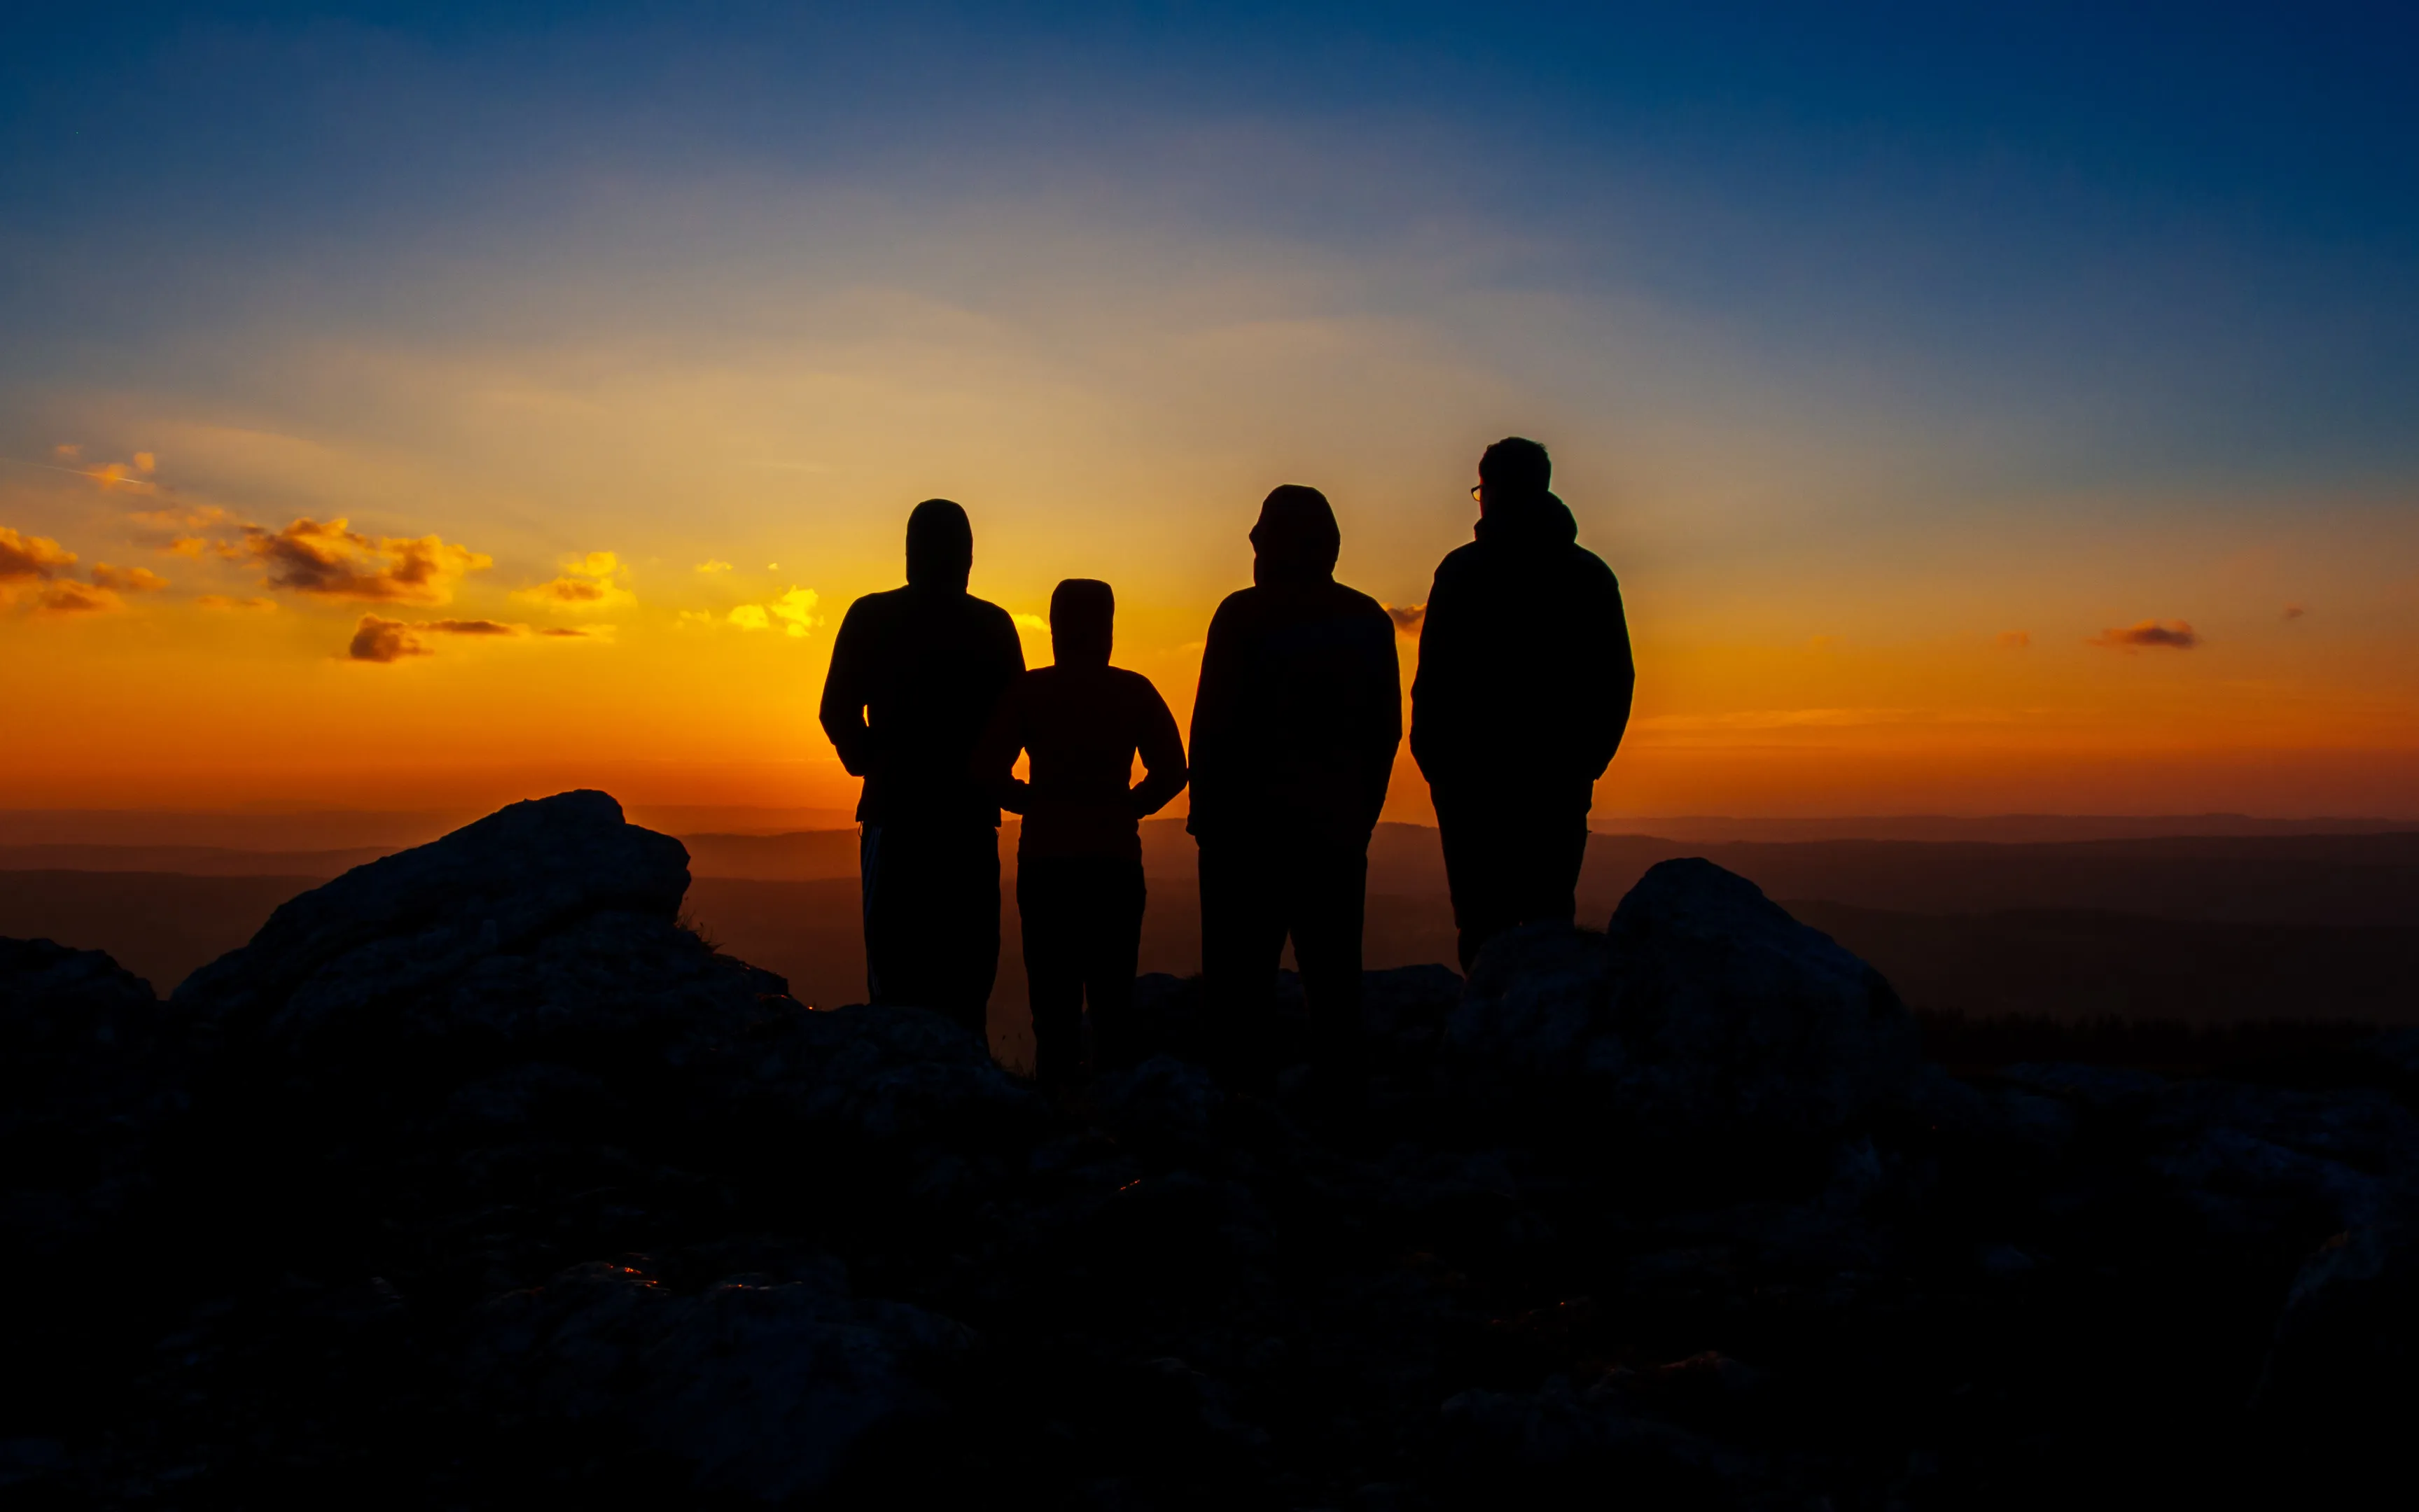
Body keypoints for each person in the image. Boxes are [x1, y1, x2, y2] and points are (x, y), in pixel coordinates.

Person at [1189, 485, 1400, 1100]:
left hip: (1242, 838)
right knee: (1333, 982)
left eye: (1260, 535)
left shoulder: (1242, 616)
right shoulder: (1366, 621)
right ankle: (1339, 1113)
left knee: (1237, 989)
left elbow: (1212, 725)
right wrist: (1360, 817)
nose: (1251, 546)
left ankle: (1240, 1120)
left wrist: (1207, 817)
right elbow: (1384, 732)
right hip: (1332, 831)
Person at [1410, 438, 1634, 972]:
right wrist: (1585, 761)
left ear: (1491, 491)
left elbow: (1433, 679)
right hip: (1555, 780)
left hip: (1470, 781)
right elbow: (1614, 680)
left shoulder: (1463, 572)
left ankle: (1485, 1037)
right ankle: (1543, 1037)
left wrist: (1436, 763)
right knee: (1547, 918)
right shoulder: (1589, 575)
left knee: (1481, 924)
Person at [819, 498, 1025, 1040]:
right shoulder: (993, 625)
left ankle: (899, 1086)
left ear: (909, 553)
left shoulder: (872, 615)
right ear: (969, 556)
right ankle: (967, 1090)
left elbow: (836, 710)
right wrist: (987, 774)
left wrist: (871, 764)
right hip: (967, 818)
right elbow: (1016, 721)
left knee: (895, 964)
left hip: (898, 813)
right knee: (968, 966)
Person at [970, 578, 1187, 1090]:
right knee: (1113, 1002)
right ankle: (1115, 1119)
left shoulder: (1030, 691)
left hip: (1046, 861)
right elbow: (1174, 770)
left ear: (1055, 627)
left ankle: (1056, 1115)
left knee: (1052, 1008)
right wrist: (1129, 807)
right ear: (1109, 628)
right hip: (1113, 861)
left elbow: (983, 768)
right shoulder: (1133, 691)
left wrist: (1030, 803)